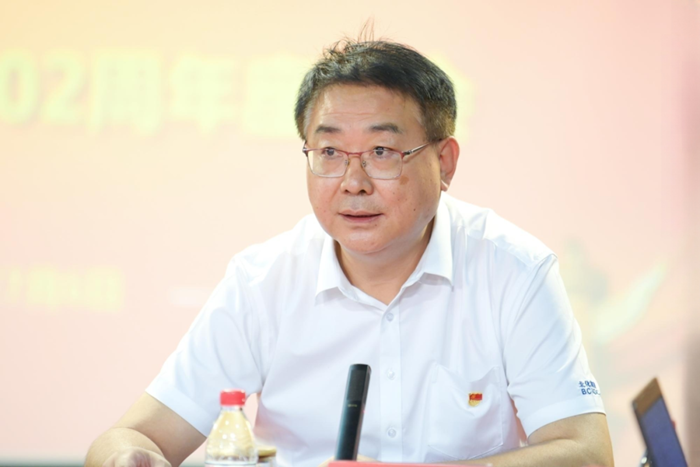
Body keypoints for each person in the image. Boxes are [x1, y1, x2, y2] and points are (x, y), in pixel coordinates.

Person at [86, 37, 614, 467]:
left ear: (446, 162)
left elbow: (586, 454)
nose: (353, 182)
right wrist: (127, 457)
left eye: (382, 151)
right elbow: (131, 436)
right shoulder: (263, 280)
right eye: (330, 152)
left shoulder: (512, 270)